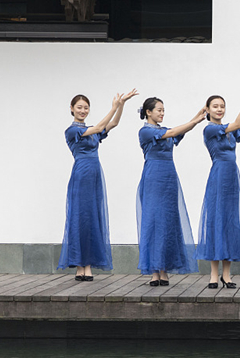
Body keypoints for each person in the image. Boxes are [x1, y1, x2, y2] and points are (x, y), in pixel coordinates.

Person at [58, 89, 138, 280]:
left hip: (94, 175)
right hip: (81, 174)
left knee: (92, 217)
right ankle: (80, 265)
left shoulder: (93, 131)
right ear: (71, 108)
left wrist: (121, 105)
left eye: (86, 108)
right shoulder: (72, 130)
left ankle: (88, 266)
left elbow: (113, 123)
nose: (83, 111)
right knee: (80, 218)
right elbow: (98, 127)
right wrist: (113, 107)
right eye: (79, 107)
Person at [196, 82, 240, 289]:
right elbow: (237, 123)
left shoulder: (229, 131)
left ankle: (227, 274)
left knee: (230, 223)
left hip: (232, 178)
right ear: (208, 110)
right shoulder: (210, 129)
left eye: (222, 106)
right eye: (215, 106)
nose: (219, 109)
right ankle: (213, 275)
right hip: (218, 177)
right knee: (216, 222)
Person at [137, 97, 205, 285]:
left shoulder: (163, 130)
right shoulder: (145, 131)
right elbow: (174, 131)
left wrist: (196, 118)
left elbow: (178, 132)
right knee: (153, 222)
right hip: (153, 177)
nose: (162, 113)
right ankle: (154, 271)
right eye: (159, 110)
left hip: (169, 178)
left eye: (163, 110)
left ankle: (164, 269)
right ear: (148, 112)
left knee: (167, 222)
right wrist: (195, 121)